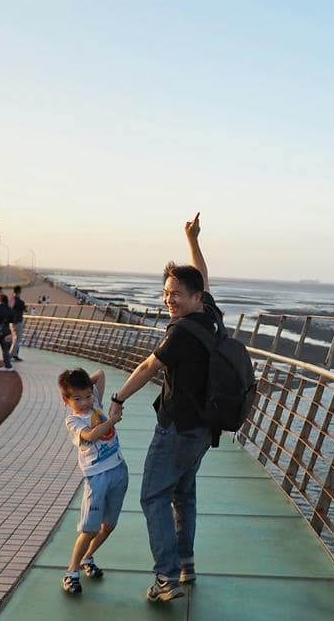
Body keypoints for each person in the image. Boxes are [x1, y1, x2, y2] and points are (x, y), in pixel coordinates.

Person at [108, 213, 220, 603]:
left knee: (153, 496)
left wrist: (118, 399)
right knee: (183, 495)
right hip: (202, 430)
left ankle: (165, 578)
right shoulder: (210, 318)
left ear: (195, 297)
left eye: (176, 294)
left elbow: (147, 368)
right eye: (166, 293)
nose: (169, 299)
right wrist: (192, 239)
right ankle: (185, 564)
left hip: (176, 429)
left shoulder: (182, 331)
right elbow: (201, 276)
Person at [59, 368, 128, 596]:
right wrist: (113, 420)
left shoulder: (94, 402)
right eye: (76, 399)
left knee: (108, 526)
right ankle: (71, 572)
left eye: (88, 396)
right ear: (66, 400)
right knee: (89, 529)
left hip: (118, 470)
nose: (84, 402)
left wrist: (80, 385)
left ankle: (87, 558)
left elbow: (100, 374)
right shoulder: (73, 420)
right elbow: (91, 435)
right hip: (97, 477)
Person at [11, 285, 27, 362]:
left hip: (10, 322)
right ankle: (11, 355)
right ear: (19, 292)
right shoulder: (20, 302)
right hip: (17, 322)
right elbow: (25, 309)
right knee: (17, 339)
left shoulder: (10, 301)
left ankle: (14, 355)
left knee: (13, 339)